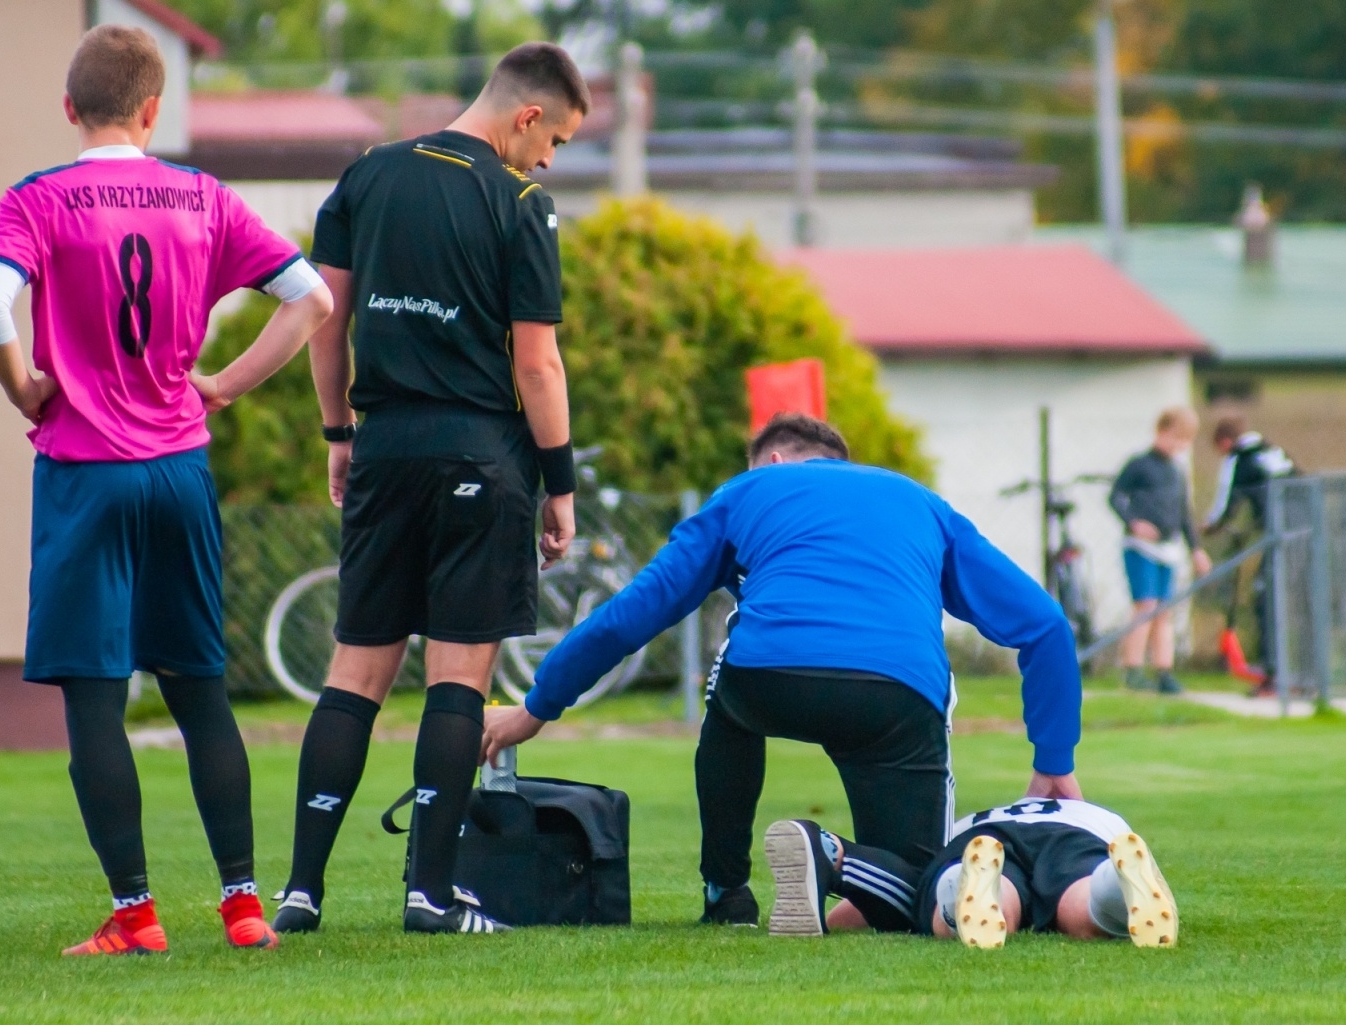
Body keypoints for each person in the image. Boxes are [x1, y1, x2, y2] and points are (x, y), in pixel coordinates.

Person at [0, 26, 333, 955]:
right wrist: (227, 383)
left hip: (86, 473)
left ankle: (136, 915)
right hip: (179, 467)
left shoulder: (36, 198)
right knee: (199, 690)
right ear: (153, 109)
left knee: (95, 698)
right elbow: (313, 300)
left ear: (68, 109)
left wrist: (23, 387)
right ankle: (244, 907)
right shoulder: (203, 195)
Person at [481, 414, 1084, 926]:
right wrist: (1053, 759)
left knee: (729, 693)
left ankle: (726, 890)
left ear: (770, 460)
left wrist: (537, 708)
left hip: (768, 681)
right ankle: (837, 859)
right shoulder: (923, 504)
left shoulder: (746, 493)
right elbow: (1045, 625)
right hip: (896, 696)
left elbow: (633, 613)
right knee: (921, 892)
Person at [273, 42, 589, 937]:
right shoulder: (523, 201)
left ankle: (301, 892)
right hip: (479, 460)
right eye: (555, 138)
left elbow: (322, 329)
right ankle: (430, 896)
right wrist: (558, 486)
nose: (550, 159)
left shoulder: (366, 176)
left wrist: (339, 435)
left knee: (356, 671)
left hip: (383, 449)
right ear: (526, 115)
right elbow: (538, 363)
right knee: (459, 676)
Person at [760, 795, 1177, 949]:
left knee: (998, 898)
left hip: (978, 835)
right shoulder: (1095, 813)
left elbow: (872, 910)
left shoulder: (970, 821)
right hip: (1079, 832)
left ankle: (957, 889)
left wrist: (838, 915)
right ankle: (1111, 891)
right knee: (1080, 903)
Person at [1110, 407, 1212, 694]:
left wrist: (1197, 549)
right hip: (1141, 548)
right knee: (1146, 606)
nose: (1179, 447)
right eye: (1176, 439)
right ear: (1162, 431)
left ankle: (1163, 671)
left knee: (1163, 612)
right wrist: (1133, 523)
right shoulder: (1140, 464)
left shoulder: (1176, 471)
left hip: (1169, 550)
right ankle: (1132, 669)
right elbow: (1115, 497)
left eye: (1185, 442)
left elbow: (1184, 513)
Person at [1202, 417, 1297, 695]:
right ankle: (1300, 672)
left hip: (1278, 533)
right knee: (1293, 601)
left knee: (1266, 597)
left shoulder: (1238, 459)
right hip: (1303, 532)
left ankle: (1274, 673)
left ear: (1224, 442)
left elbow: (1226, 502)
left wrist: (1212, 526)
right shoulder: (1273, 451)